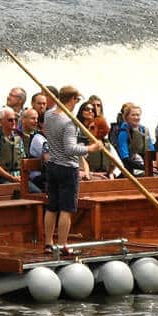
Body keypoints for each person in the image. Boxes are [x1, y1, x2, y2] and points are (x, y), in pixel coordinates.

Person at [44, 86, 101, 252]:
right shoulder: (69, 122)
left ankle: (48, 243)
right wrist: (91, 148)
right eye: (77, 100)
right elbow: (70, 149)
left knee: (52, 207)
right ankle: (63, 246)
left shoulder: (48, 115)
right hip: (67, 169)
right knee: (66, 209)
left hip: (52, 165)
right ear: (73, 99)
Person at [0, 107, 26, 185]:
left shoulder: (18, 138)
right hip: (1, 178)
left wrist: (22, 177)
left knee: (35, 191)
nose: (14, 122)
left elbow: (22, 160)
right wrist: (11, 178)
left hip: (19, 177)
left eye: (15, 119)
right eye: (10, 120)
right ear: (1, 121)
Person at [116, 104, 153, 176]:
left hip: (146, 164)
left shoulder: (145, 130)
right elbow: (125, 159)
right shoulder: (123, 133)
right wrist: (144, 168)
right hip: (131, 168)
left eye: (138, 115)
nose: (136, 117)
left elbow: (151, 150)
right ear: (127, 117)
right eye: (133, 115)